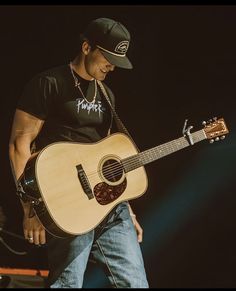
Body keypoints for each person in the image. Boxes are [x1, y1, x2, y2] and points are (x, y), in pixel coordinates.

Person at [8, 17, 149, 288]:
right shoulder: (48, 83)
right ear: (86, 47)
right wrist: (32, 207)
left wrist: (128, 209)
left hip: (109, 207)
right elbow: (19, 145)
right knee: (67, 284)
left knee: (135, 284)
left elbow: (108, 154)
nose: (112, 66)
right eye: (107, 58)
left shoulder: (107, 94)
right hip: (67, 201)